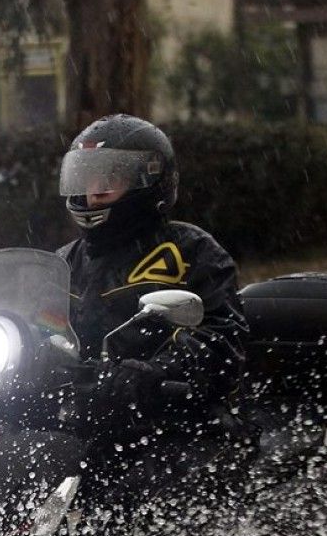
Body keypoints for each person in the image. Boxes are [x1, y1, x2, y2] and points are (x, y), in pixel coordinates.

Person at [56, 114, 248, 504]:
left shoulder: (192, 252)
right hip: (83, 418)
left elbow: (221, 337)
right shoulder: (63, 263)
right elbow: (33, 324)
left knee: (146, 501)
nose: (93, 194)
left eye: (108, 182)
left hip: (173, 420)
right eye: (87, 180)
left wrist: (154, 373)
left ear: (150, 180)